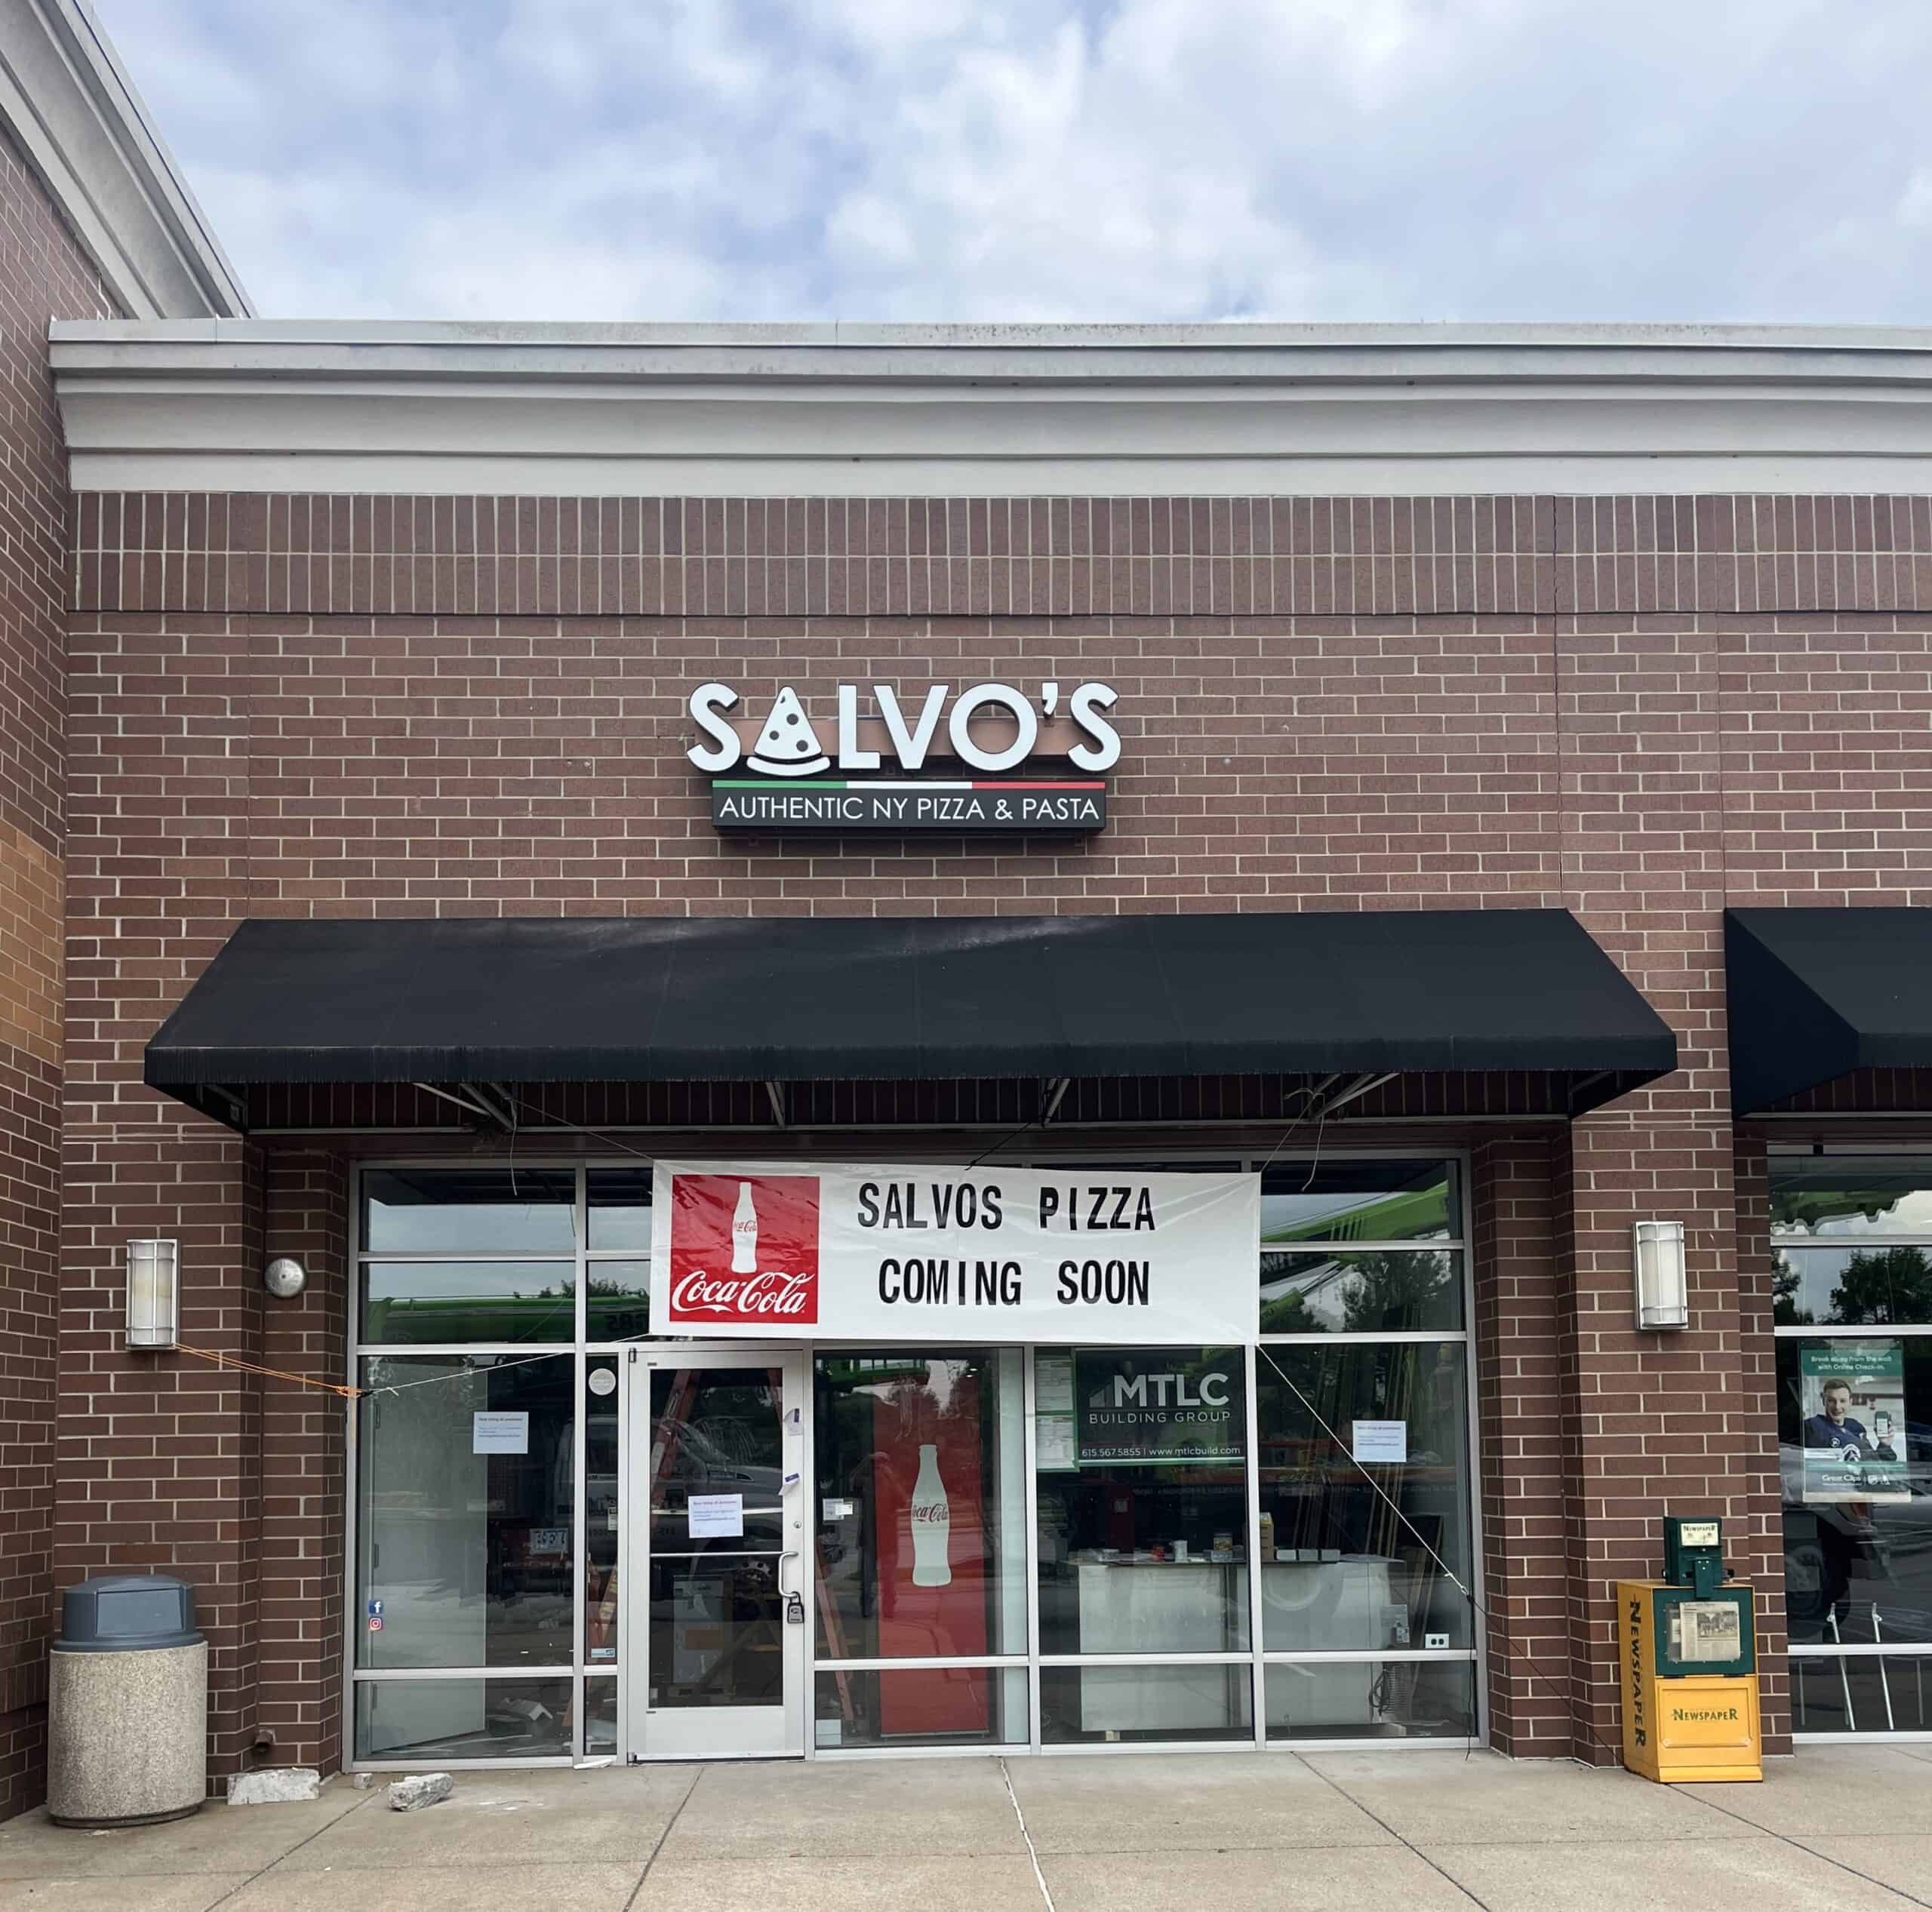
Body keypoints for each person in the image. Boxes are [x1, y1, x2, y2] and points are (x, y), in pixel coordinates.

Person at [1804, 1379, 1899, 1462]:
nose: (1837, 1407)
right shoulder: (1811, 1427)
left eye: (1842, 1401)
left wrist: (1884, 1444)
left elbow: (1874, 1464)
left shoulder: (1856, 1427)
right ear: (1824, 1401)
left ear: (1850, 1402)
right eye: (1831, 1401)